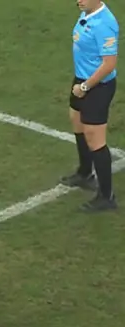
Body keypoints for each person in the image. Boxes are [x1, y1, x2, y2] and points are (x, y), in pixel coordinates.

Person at [61, 0, 119, 211]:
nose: (79, 0)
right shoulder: (87, 12)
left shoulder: (105, 23)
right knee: (76, 121)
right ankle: (85, 173)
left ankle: (106, 197)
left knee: (95, 138)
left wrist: (85, 87)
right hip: (81, 79)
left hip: (97, 86)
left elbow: (109, 64)